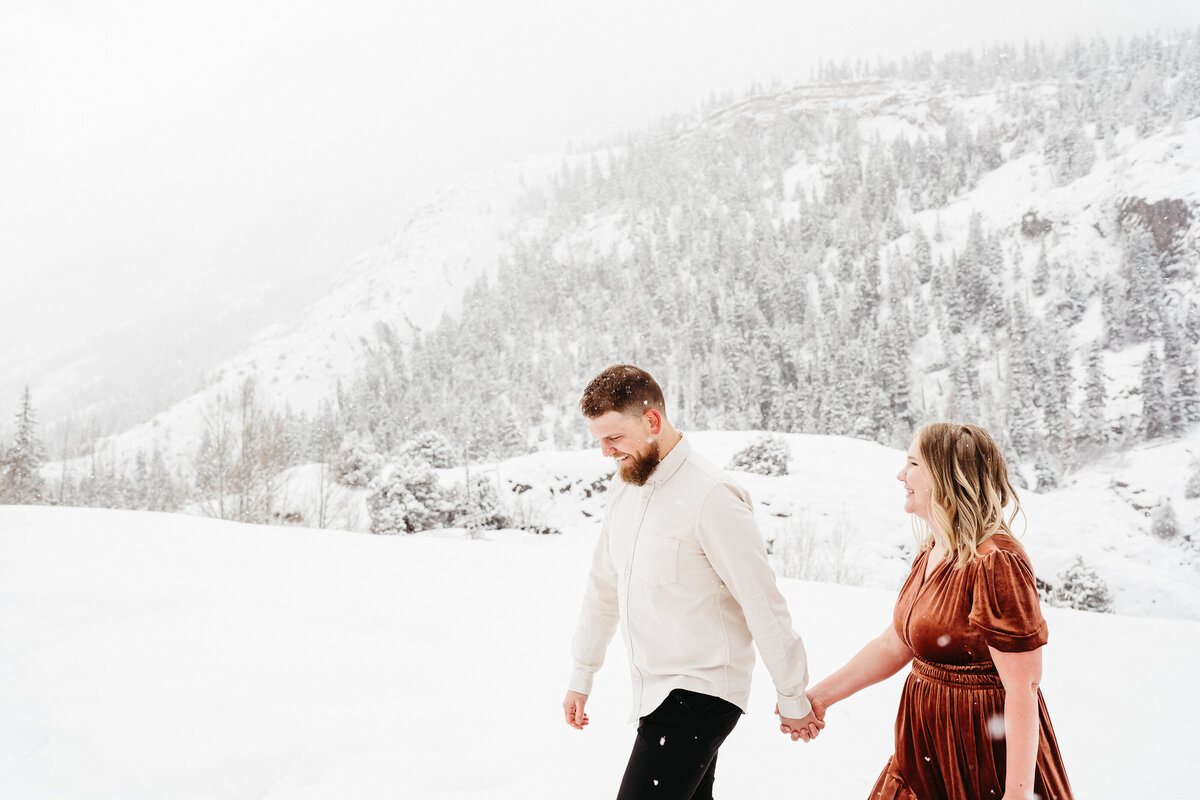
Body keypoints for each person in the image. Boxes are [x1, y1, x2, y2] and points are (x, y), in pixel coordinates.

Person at [562, 364, 822, 800]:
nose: (606, 451)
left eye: (614, 438)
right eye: (599, 441)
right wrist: (581, 673)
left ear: (651, 421)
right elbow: (604, 586)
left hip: (701, 693)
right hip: (657, 694)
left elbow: (763, 602)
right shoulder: (624, 489)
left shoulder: (712, 496)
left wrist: (792, 697)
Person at [786, 422, 1073, 800]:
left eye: (913, 464)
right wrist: (819, 698)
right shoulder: (933, 551)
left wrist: (1017, 795)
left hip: (982, 757)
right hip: (925, 753)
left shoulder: (995, 561)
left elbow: (1024, 685)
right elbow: (896, 643)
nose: (900, 475)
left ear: (946, 477)